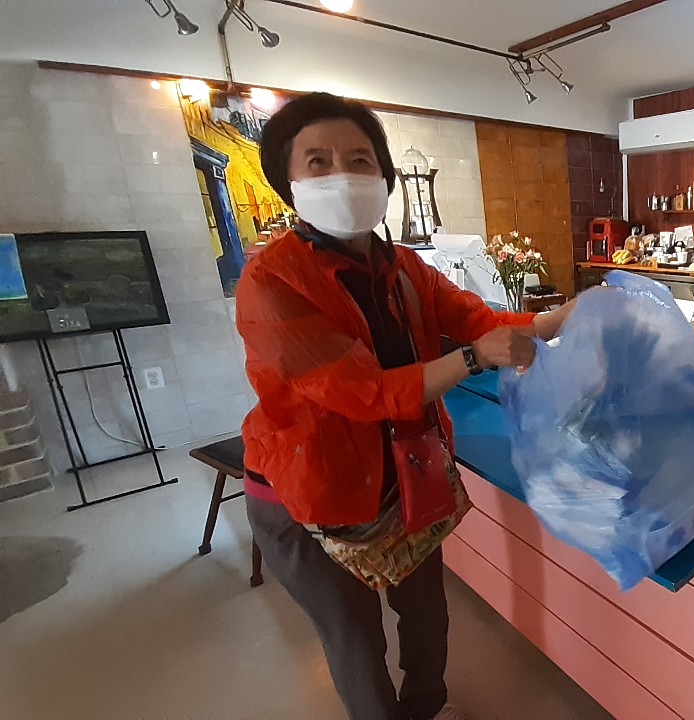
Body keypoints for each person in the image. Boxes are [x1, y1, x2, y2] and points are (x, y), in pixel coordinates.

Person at [236, 92, 574, 720]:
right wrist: (473, 358)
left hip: (405, 478)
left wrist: (560, 317)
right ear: (288, 181)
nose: (343, 175)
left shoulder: (405, 268)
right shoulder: (270, 282)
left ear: (385, 175)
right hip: (312, 493)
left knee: (427, 616)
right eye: (318, 161)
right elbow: (363, 392)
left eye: (360, 159)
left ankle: (428, 707)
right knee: (356, 644)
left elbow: (477, 320)